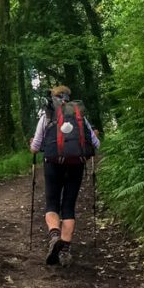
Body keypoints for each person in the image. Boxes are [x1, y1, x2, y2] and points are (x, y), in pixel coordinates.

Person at [29, 85, 100, 266]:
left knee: (52, 203)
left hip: (53, 164)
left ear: (53, 98)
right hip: (76, 164)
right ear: (69, 97)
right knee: (68, 206)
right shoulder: (80, 116)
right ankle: (65, 250)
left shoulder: (47, 116)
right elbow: (96, 144)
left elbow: (36, 147)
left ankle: (54, 235)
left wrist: (32, 145)